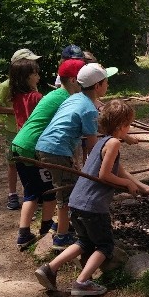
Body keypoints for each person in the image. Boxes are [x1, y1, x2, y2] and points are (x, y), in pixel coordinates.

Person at [34, 100, 149, 297]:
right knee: (105, 245)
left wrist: (143, 186)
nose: (130, 128)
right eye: (129, 124)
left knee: (84, 242)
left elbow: (119, 170)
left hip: (77, 202)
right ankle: (82, 282)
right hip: (93, 206)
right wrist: (127, 185)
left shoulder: (103, 141)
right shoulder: (114, 143)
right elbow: (104, 175)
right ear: (121, 126)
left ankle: (49, 268)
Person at [35, 63, 117, 251]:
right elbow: (92, 146)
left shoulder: (75, 98)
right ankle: (62, 237)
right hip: (57, 150)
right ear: (97, 86)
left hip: (47, 145)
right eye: (106, 83)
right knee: (67, 193)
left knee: (66, 187)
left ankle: (63, 227)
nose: (108, 86)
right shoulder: (88, 109)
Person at [12, 59, 86, 250]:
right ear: (72, 81)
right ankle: (37, 231)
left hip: (20, 144)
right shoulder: (66, 99)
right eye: (82, 80)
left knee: (37, 191)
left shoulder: (55, 94)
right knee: (44, 192)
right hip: (32, 148)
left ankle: (33, 230)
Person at [0, 49, 41, 210]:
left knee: (32, 163)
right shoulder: (6, 85)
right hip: (14, 131)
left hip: (30, 132)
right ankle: (12, 194)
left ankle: (33, 193)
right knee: (13, 163)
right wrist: (15, 111)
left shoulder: (31, 86)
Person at [9, 57, 43, 130]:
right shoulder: (36, 97)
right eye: (35, 74)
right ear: (25, 77)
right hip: (35, 136)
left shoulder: (16, 95)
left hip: (21, 135)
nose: (39, 77)